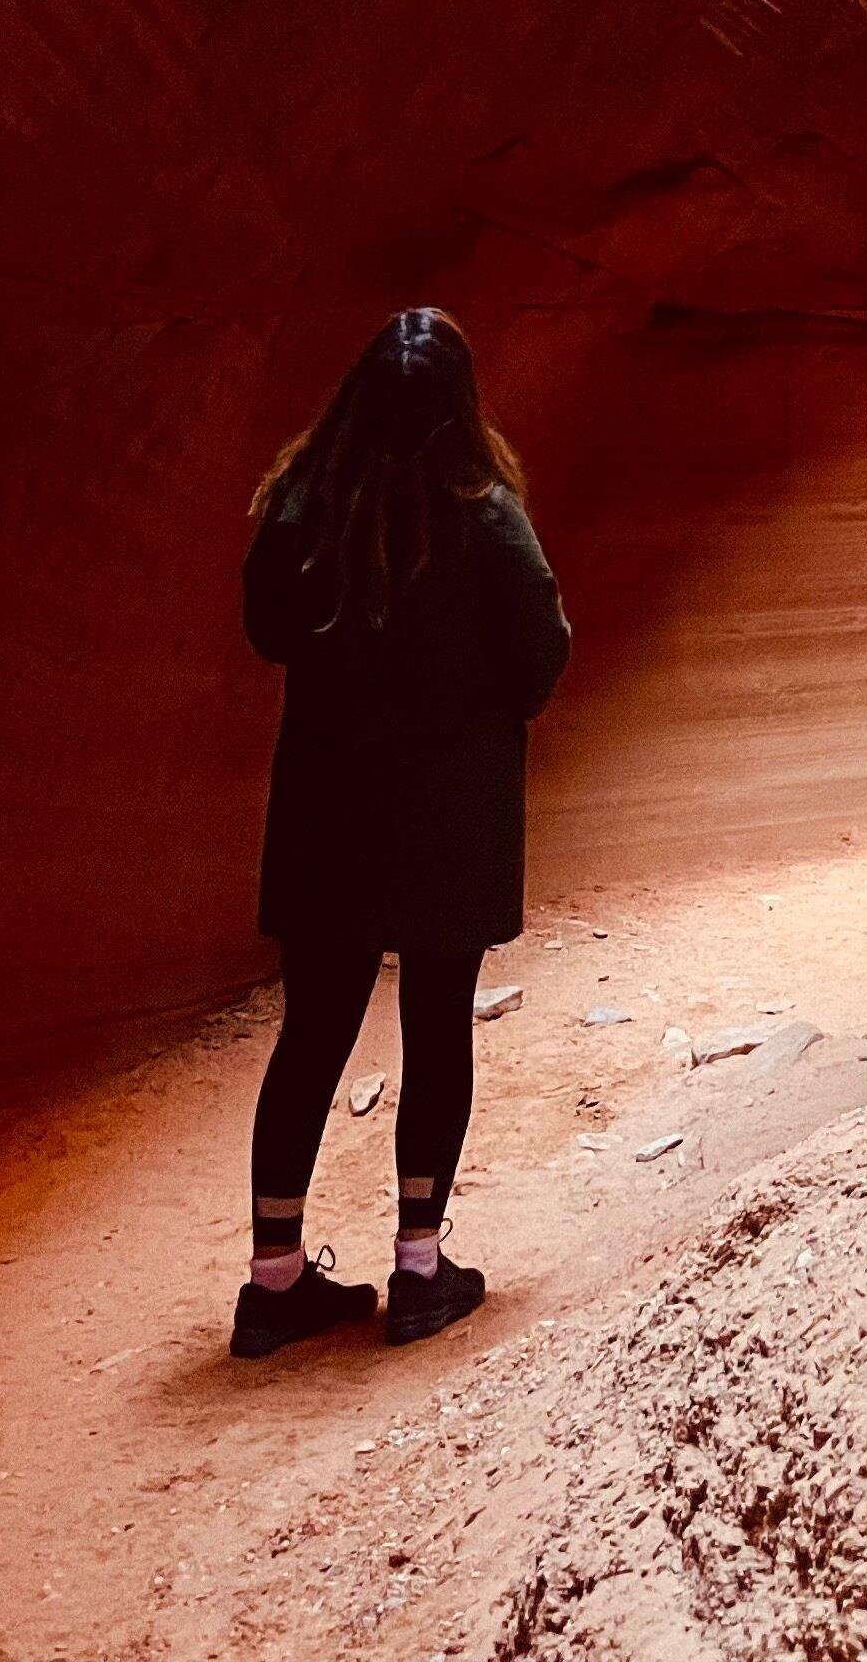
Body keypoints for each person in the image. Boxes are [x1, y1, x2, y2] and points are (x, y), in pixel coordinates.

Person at [230, 306, 570, 1361]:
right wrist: (478, 709)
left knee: (312, 1036)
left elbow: (264, 628)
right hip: (447, 808)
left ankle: (274, 1282)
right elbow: (542, 647)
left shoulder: (304, 510)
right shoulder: (484, 512)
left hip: (329, 807)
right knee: (436, 1028)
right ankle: (420, 1269)